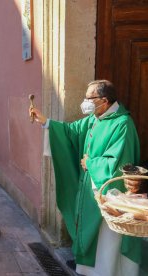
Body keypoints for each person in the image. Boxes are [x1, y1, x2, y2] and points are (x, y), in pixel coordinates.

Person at [30, 80, 145, 275]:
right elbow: (71, 131)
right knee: (91, 236)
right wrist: (45, 121)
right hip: (89, 190)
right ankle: (87, 269)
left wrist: (90, 163)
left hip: (108, 195)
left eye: (89, 98)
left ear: (104, 100)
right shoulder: (95, 117)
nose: (85, 102)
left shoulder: (122, 124)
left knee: (106, 242)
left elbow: (119, 164)